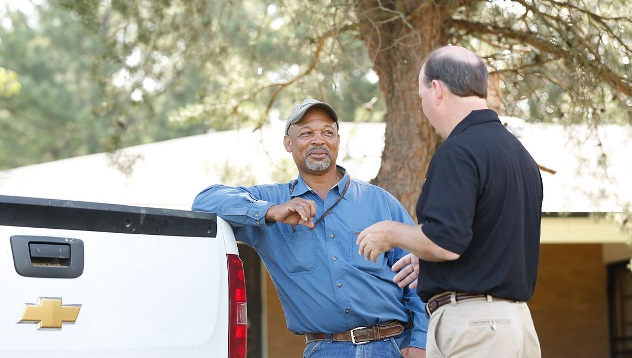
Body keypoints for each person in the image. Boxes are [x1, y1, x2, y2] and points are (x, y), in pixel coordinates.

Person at [192, 98, 428, 357]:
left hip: (393, 345)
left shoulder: (379, 202)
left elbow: (417, 275)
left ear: (338, 140)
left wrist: (421, 340)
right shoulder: (273, 202)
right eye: (306, 133)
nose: (318, 140)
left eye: (327, 132)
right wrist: (271, 212)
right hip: (325, 349)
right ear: (288, 143)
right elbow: (205, 201)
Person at [356, 46, 543, 358]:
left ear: (437, 90)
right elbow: (491, 237)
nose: (423, 105)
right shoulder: (519, 155)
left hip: (476, 329)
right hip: (516, 326)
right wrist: (428, 259)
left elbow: (445, 242)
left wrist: (390, 232)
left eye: (421, 95)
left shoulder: (458, 151)